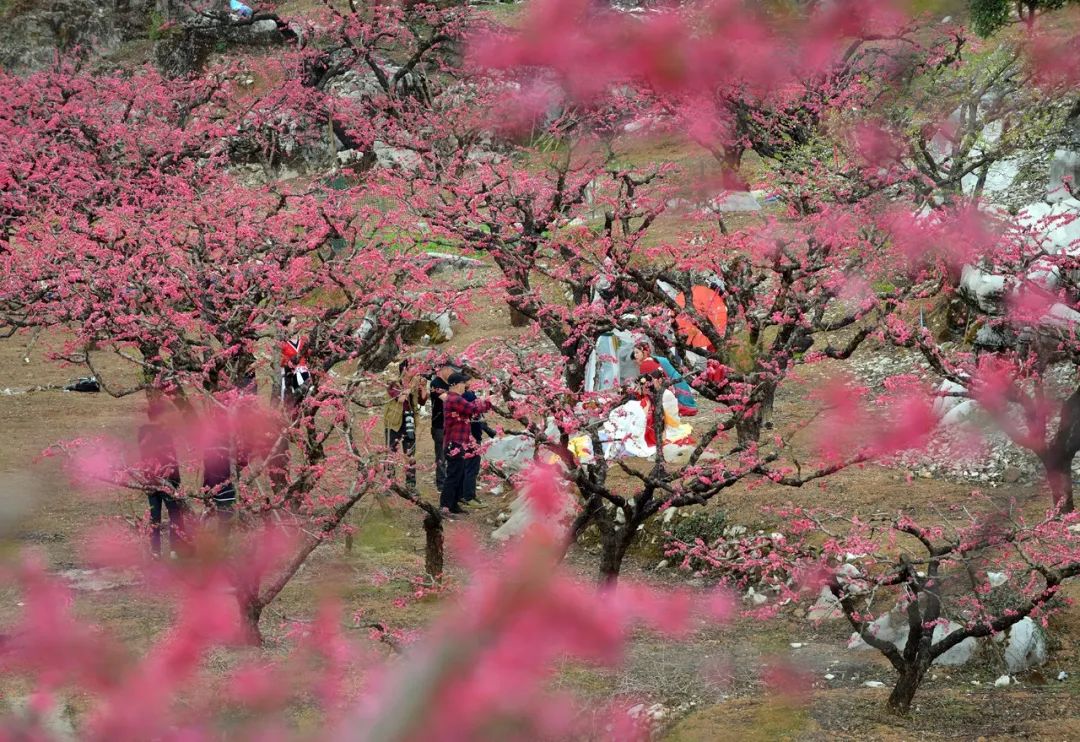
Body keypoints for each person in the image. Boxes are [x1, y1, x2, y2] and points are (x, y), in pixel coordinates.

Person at [138, 401, 189, 558]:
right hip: (168, 478)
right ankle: (175, 548)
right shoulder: (164, 433)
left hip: (150, 478)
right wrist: (176, 480)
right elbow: (171, 458)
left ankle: (155, 551)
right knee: (174, 512)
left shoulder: (142, 433)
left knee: (155, 514)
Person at [438, 373, 492, 516]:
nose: (465, 387)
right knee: (453, 475)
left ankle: (454, 504)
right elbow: (472, 409)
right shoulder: (455, 399)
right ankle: (445, 506)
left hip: (459, 442)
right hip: (454, 443)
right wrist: (488, 402)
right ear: (455, 384)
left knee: (459, 474)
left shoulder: (455, 398)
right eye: (463, 384)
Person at [383, 359, 427, 490]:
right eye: (413, 368)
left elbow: (423, 401)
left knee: (410, 454)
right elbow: (401, 399)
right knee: (391, 453)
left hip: (409, 421)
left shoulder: (414, 384)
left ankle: (411, 484)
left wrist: (423, 387)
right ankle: (389, 484)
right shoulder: (393, 383)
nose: (416, 371)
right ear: (404, 370)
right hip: (394, 423)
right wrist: (411, 386)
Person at [461, 378, 498, 506]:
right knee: (472, 467)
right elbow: (479, 410)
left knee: (466, 465)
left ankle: (463, 494)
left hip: (466, 435)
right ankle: (469, 496)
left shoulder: (464, 395)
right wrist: (488, 400)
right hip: (471, 437)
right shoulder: (468, 395)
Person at [428, 360, 455, 491]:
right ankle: (441, 483)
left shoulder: (451, 383)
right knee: (441, 455)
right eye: (450, 370)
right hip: (439, 425)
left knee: (452, 454)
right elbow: (448, 399)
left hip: (451, 424)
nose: (452, 373)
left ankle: (449, 481)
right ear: (443, 369)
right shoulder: (435, 383)